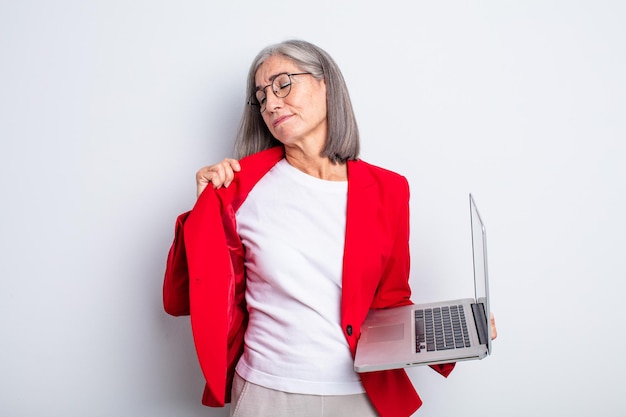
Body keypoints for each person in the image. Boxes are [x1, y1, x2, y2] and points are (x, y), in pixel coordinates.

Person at [163, 39, 497, 417]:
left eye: (283, 84)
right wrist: (201, 213)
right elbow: (182, 299)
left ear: (326, 85)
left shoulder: (388, 189)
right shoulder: (238, 187)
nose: (271, 103)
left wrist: (456, 333)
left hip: (361, 393)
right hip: (266, 393)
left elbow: (390, 302)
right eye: (261, 95)